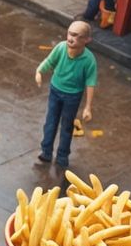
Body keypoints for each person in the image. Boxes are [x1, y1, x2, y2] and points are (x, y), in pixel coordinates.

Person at [35, 20, 98, 171]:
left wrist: (88, 107)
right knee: (50, 122)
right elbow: (49, 61)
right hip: (55, 90)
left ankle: (62, 155)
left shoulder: (89, 60)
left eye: (76, 36)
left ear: (86, 40)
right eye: (70, 33)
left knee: (67, 126)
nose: (70, 38)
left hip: (73, 96)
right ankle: (46, 151)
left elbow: (90, 83)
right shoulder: (61, 48)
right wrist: (39, 71)